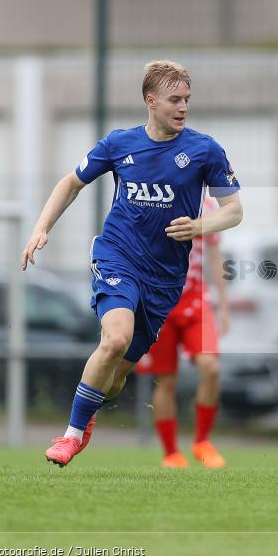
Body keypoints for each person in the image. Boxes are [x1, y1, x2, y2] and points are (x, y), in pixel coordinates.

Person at [21, 60, 243, 467]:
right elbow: (71, 183)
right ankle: (71, 436)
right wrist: (41, 227)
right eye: (174, 100)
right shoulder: (119, 144)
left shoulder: (204, 150)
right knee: (115, 339)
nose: (183, 107)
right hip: (117, 257)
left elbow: (234, 211)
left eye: (187, 99)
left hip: (165, 280)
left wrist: (199, 226)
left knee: (117, 378)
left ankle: (89, 410)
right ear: (150, 101)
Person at [135, 196, 230, 468]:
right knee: (166, 381)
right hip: (159, 302)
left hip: (196, 301)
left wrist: (224, 306)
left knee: (211, 367)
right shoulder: (156, 198)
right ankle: (171, 453)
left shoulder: (208, 207)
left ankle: (202, 442)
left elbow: (215, 256)